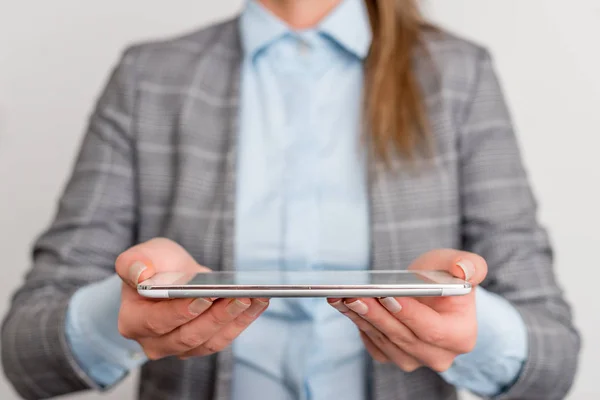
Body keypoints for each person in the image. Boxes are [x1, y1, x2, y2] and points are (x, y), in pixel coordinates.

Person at [1, 0, 580, 399]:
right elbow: (26, 352)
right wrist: (122, 312)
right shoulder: (148, 76)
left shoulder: (459, 75)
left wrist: (470, 331)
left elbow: (553, 361)